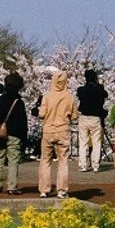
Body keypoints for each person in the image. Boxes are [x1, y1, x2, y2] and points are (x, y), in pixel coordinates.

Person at [38, 71, 78, 199]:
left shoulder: (47, 96)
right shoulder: (70, 97)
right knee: (63, 161)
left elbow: (41, 114)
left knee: (45, 160)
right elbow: (75, 116)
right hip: (63, 130)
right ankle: (61, 191)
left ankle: (44, 190)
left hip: (48, 131)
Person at [0, 72, 28, 194]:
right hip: (14, 134)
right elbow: (23, 122)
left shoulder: (0, 99)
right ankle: (12, 186)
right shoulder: (19, 102)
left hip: (1, 133)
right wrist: (24, 138)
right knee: (13, 160)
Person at [76, 68, 108, 172]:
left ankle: (83, 165)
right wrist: (98, 84)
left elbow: (80, 96)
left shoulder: (81, 90)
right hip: (96, 118)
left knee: (83, 142)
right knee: (96, 142)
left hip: (84, 117)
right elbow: (105, 94)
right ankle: (95, 165)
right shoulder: (99, 89)